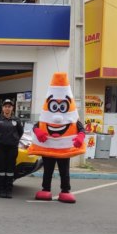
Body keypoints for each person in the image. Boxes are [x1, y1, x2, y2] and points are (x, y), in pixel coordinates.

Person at [28, 72, 86, 204]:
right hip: (48, 148)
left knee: (64, 171)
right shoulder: (46, 117)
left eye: (62, 106)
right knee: (47, 171)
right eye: (54, 106)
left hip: (64, 150)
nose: (58, 115)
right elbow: (36, 126)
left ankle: (65, 191)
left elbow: (81, 129)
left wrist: (80, 137)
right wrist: (38, 131)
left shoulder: (72, 118)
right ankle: (45, 189)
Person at [0, 98, 24, 198]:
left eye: (9, 106)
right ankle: (1, 190)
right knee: (0, 169)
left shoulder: (16, 120)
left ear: (12, 108)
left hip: (12, 148)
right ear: (2, 108)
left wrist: (14, 140)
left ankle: (8, 190)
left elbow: (20, 132)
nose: (7, 108)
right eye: (5, 106)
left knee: (10, 170)